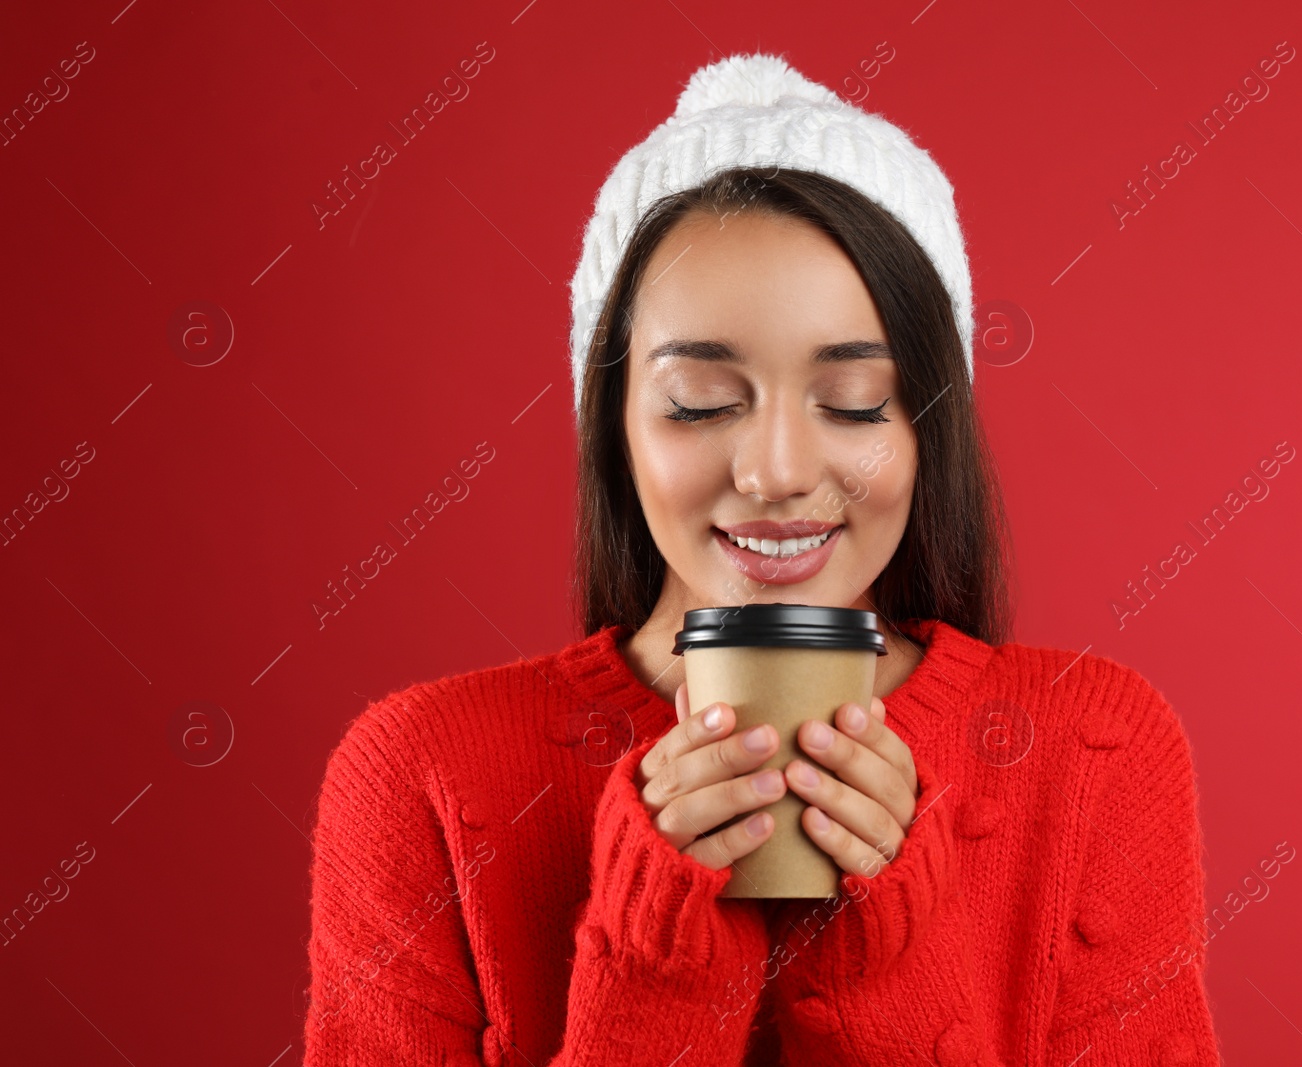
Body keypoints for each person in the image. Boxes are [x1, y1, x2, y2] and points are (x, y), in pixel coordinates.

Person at [302, 52, 1222, 1066]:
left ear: (929, 427)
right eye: (700, 400)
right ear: (612, 427)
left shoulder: (1095, 749)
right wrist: (654, 961)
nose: (778, 470)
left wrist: (896, 951)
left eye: (853, 401)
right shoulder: (421, 770)